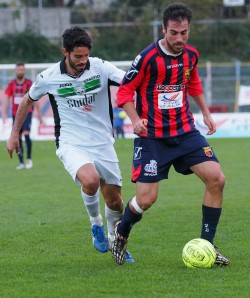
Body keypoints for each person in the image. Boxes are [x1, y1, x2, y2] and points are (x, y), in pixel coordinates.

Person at [111, 3, 230, 266]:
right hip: (152, 137)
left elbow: (193, 82)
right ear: (164, 29)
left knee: (216, 179)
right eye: (174, 33)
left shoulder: (191, 55)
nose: (179, 39)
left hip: (185, 132)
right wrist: (134, 120)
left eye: (184, 33)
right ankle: (121, 232)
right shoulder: (147, 58)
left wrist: (206, 113)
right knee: (146, 199)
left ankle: (207, 247)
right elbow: (124, 92)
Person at [7, 26, 133, 263]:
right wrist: (14, 135)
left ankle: (114, 240)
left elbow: (128, 81)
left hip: (103, 142)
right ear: (65, 51)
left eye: (86, 55)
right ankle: (95, 225)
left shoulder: (101, 68)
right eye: (78, 56)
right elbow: (26, 101)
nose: (83, 61)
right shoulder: (49, 77)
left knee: (116, 202)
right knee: (91, 179)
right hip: (70, 142)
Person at [3, 62, 42, 170]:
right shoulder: (11, 85)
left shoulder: (29, 84)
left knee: (26, 134)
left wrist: (40, 115)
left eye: (22, 70)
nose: (20, 71)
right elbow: (6, 99)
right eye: (18, 70)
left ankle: (29, 159)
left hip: (27, 114)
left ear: (24, 71)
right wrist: (4, 114)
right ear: (16, 71)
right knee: (17, 138)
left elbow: (35, 100)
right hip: (15, 114)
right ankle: (21, 162)